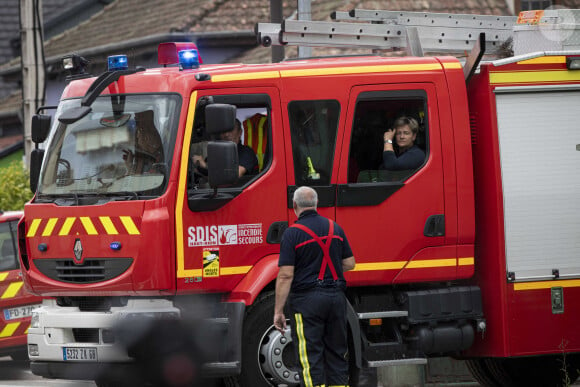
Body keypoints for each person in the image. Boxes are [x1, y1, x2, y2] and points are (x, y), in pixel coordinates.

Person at [274, 186, 356, 387]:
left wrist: (278, 310)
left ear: (295, 205)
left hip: (307, 302)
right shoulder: (334, 228)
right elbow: (350, 263)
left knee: (310, 358)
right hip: (336, 298)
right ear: (316, 204)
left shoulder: (292, 234)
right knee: (337, 355)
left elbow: (285, 275)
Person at [192, 119, 258, 177]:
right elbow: (207, 174)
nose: (226, 134)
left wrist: (205, 165)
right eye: (224, 131)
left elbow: (235, 174)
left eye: (231, 130)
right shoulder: (216, 153)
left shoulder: (247, 152)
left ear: (240, 133)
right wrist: (198, 165)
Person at [123, 110, 164, 174]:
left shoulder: (158, 162)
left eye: (139, 132)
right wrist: (130, 166)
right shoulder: (144, 159)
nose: (137, 136)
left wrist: (130, 170)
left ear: (146, 138)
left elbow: (137, 182)